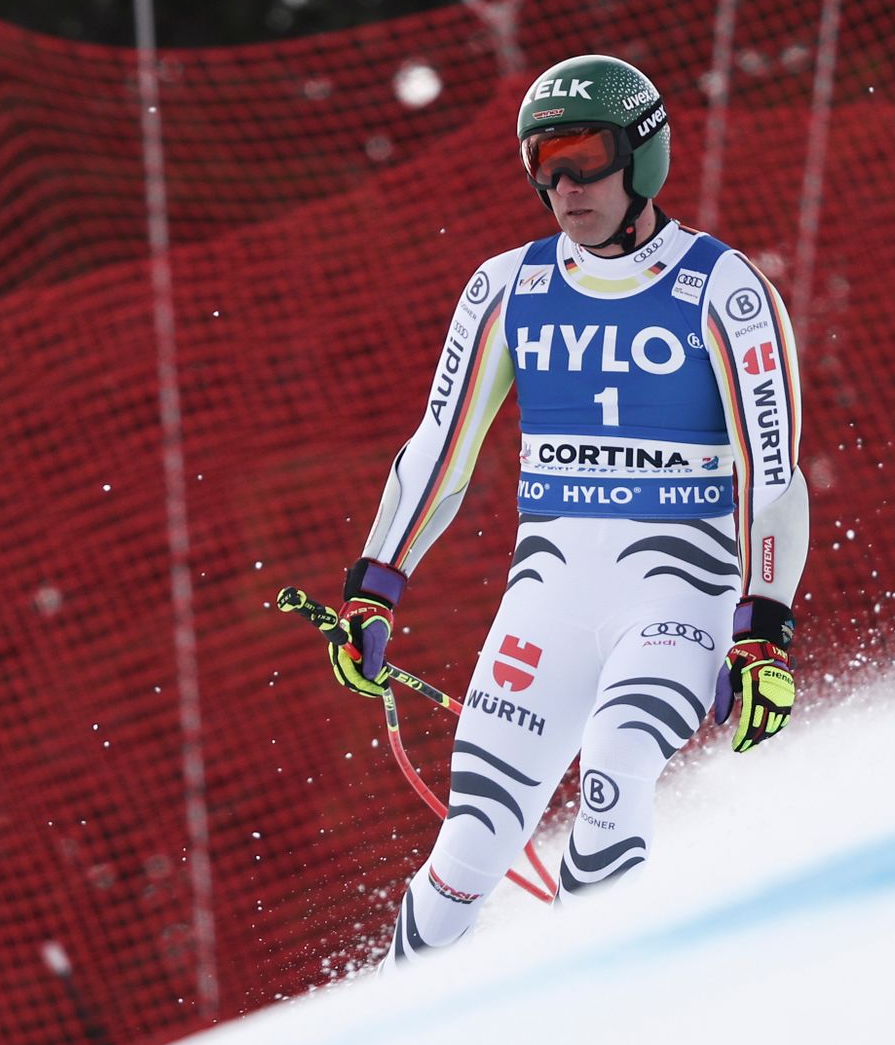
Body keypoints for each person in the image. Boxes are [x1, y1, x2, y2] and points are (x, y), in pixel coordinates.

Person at [326, 54, 809, 962]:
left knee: (618, 762)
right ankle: (384, 1023)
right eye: (542, 160)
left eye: (585, 156)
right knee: (471, 842)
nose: (564, 185)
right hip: (548, 599)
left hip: (680, 596)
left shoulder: (723, 289)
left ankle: (587, 1010)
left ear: (643, 157)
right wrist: (374, 586)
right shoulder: (507, 287)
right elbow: (442, 448)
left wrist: (764, 627)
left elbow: (772, 473)